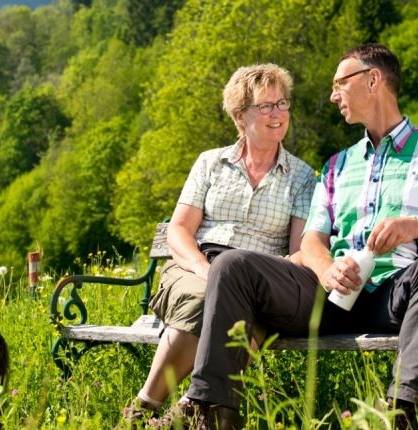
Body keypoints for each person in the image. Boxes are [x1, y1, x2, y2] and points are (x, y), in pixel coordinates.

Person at [165, 42, 418, 430]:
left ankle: (402, 411)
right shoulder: (337, 165)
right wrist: (328, 269)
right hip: (332, 296)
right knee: (233, 264)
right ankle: (211, 410)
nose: (332, 96)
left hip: (400, 294)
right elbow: (312, 241)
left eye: (339, 84)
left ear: (372, 80)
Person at [124, 64, 317, 420]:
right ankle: (148, 408)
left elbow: (299, 250)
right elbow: (179, 229)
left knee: (234, 301)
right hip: (196, 263)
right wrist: (202, 267)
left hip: (255, 276)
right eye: (266, 106)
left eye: (282, 104)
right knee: (203, 298)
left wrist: (274, 273)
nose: (277, 114)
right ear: (240, 116)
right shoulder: (210, 163)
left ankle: (184, 413)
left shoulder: (303, 177)